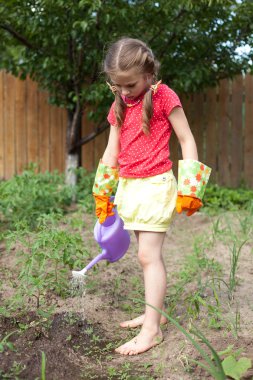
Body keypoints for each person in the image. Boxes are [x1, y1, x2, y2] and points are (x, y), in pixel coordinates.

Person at [92, 37, 211, 356]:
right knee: (147, 256)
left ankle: (152, 330)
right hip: (131, 188)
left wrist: (191, 187)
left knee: (148, 256)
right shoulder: (119, 102)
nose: (125, 92)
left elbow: (186, 139)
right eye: (117, 86)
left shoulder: (163, 97)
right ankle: (151, 313)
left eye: (130, 85)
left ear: (148, 73)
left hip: (157, 186)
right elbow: (111, 150)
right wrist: (102, 190)